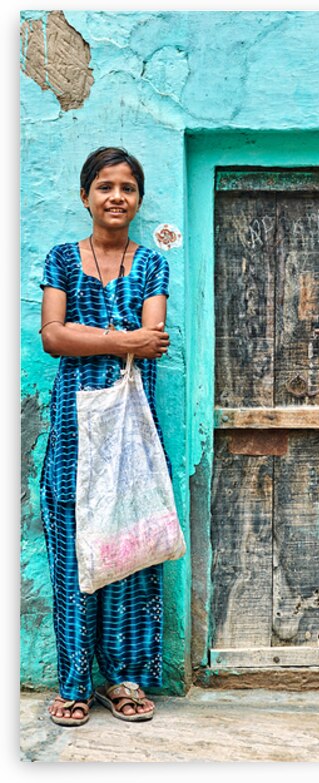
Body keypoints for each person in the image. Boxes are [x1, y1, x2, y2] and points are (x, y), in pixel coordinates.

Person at [39, 147, 171, 725]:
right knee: (74, 550)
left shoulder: (151, 265)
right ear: (86, 195)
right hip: (73, 429)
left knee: (131, 546)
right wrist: (122, 342)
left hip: (130, 427)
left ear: (138, 200)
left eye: (128, 188)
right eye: (104, 186)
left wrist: (88, 335)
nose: (116, 196)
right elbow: (51, 336)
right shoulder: (63, 260)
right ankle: (74, 683)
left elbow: (156, 337)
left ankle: (125, 680)